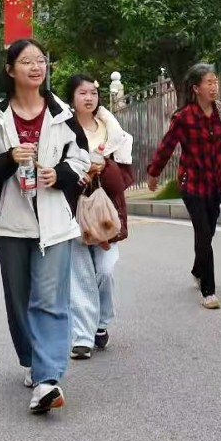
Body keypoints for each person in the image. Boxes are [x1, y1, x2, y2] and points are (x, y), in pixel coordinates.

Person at [0, 38, 90, 414]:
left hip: (55, 222)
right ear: (10, 70)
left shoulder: (61, 111)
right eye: (26, 61)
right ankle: (32, 360)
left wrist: (58, 174)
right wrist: (10, 158)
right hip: (10, 222)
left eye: (40, 60)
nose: (36, 66)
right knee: (19, 300)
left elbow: (82, 158)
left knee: (49, 300)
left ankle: (47, 377)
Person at [147, 63, 221, 310]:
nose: (214, 87)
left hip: (215, 182)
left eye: (215, 82)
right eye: (209, 83)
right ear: (196, 88)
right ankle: (209, 290)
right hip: (192, 183)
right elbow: (167, 146)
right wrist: (153, 173)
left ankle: (197, 268)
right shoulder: (183, 117)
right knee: (203, 232)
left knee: (209, 230)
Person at [66, 74, 135, 358]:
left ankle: (101, 323)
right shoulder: (63, 132)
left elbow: (126, 179)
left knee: (104, 271)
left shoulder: (113, 133)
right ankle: (83, 336)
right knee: (81, 277)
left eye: (93, 93)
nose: (89, 98)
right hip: (73, 214)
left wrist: (102, 168)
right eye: (83, 93)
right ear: (72, 98)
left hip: (106, 214)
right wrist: (81, 175)